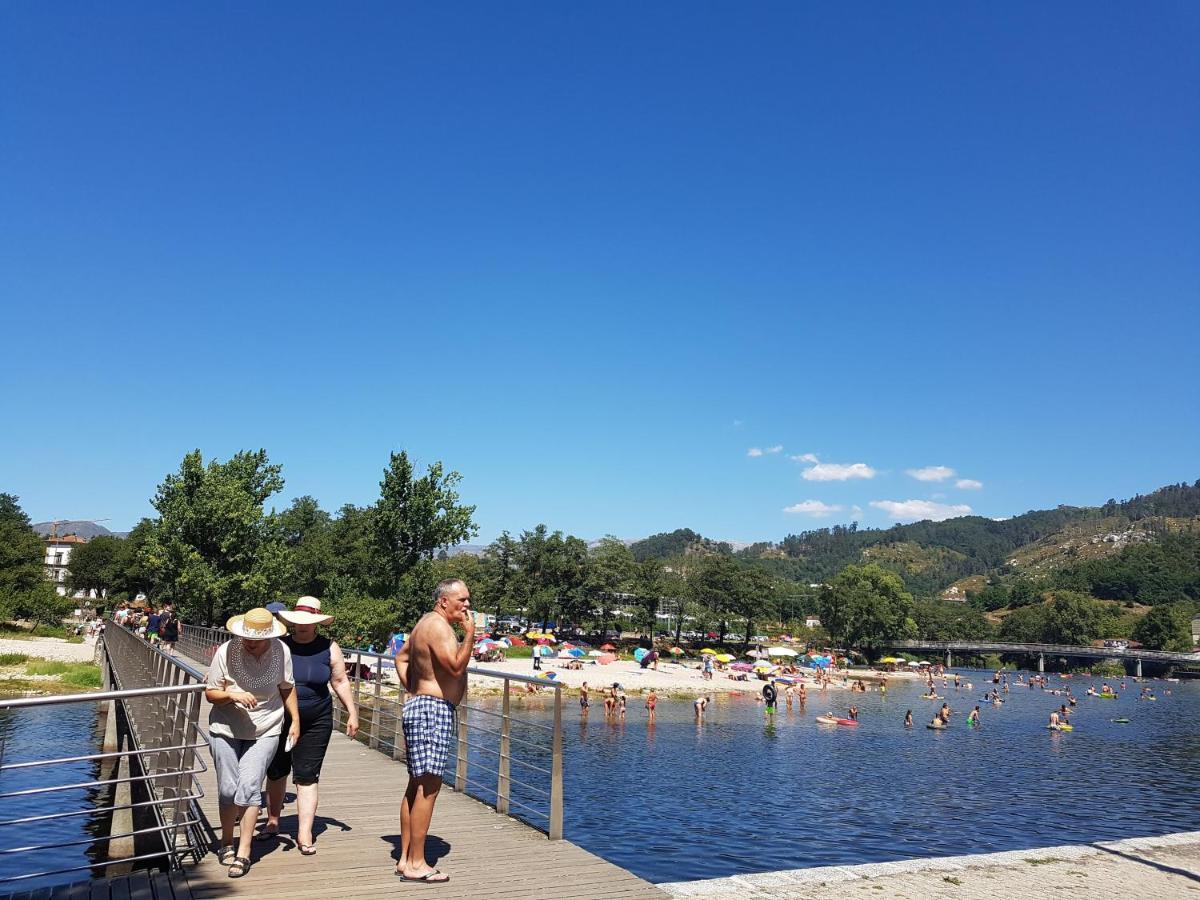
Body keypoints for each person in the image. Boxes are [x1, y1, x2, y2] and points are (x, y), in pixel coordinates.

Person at [204, 608, 299, 879]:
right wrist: (232, 694)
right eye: (245, 636)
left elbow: (287, 687)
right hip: (225, 728)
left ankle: (244, 851)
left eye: (255, 638)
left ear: (268, 636)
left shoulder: (281, 651)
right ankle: (226, 842)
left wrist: (295, 721)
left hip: (267, 728)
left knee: (248, 786)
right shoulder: (226, 651)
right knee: (227, 789)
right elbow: (211, 693)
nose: (249, 641)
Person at [262, 597, 359, 855]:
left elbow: (339, 681)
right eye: (298, 622)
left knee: (307, 774)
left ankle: (304, 832)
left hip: (317, 718)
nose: (302, 627)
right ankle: (273, 820)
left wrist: (352, 712)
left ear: (316, 624)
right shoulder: (279, 645)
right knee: (276, 770)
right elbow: (256, 668)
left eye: (307, 623)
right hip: (280, 717)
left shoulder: (329, 647)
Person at [393, 579, 474, 884]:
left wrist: (412, 687)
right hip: (432, 711)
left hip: (424, 706)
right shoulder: (439, 627)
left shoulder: (423, 624)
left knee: (417, 784)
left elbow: (401, 657)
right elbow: (454, 667)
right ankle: (416, 862)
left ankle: (405, 859)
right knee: (429, 786)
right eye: (461, 600)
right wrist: (470, 635)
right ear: (443, 601)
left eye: (467, 600)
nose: (466, 605)